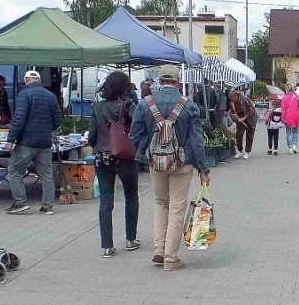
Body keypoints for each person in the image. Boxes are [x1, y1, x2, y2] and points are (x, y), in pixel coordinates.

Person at [129, 65, 210, 271]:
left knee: (160, 203)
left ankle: (159, 249)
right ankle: (170, 258)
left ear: (158, 81)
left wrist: (146, 151)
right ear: (177, 81)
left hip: (156, 163)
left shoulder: (145, 103)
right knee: (177, 207)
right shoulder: (188, 104)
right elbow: (196, 140)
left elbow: (134, 135)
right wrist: (203, 169)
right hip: (182, 162)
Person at [89, 72, 139, 258]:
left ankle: (107, 246)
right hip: (124, 155)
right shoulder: (128, 105)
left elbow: (92, 135)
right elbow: (137, 126)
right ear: (123, 87)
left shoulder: (97, 107)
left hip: (102, 156)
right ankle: (130, 239)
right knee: (131, 196)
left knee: (106, 199)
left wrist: (97, 145)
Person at [5, 70, 62, 215]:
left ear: (26, 80)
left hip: (27, 142)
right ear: (39, 80)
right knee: (46, 175)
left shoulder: (24, 94)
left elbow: (19, 119)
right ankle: (47, 206)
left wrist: (11, 139)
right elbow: (57, 120)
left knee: (14, 171)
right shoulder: (51, 96)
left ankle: (20, 203)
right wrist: (46, 130)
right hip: (45, 143)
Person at [228, 89, 257, 159]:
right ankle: (240, 150)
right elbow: (232, 112)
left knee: (249, 136)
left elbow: (251, 110)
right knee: (239, 135)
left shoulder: (245, 100)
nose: (232, 99)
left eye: (232, 98)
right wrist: (235, 117)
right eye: (230, 98)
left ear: (236, 96)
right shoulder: (232, 102)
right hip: (239, 120)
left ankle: (247, 152)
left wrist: (244, 118)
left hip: (250, 120)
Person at [280, 85, 299, 154]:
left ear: (287, 90)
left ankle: (290, 148)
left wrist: (283, 118)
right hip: (296, 116)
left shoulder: (285, 98)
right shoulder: (297, 97)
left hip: (288, 116)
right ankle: (294, 145)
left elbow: (283, 108)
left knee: (288, 132)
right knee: (295, 131)